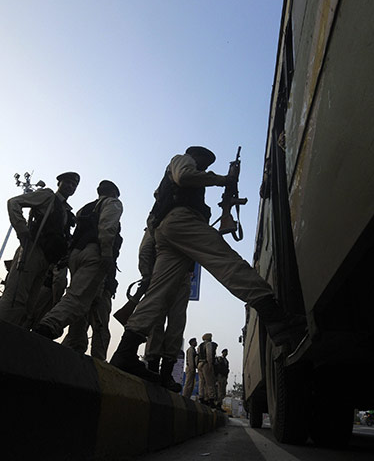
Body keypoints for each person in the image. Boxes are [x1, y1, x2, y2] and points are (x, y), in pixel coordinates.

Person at [110, 146, 304, 382]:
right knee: (227, 263)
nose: (205, 166)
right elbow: (185, 176)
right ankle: (276, 318)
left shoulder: (172, 184)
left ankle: (125, 353)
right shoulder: (183, 160)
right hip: (181, 222)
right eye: (205, 161)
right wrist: (224, 180)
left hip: (168, 231)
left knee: (157, 296)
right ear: (196, 155)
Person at [34, 180, 123, 348]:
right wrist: (106, 254)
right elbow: (107, 229)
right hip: (94, 254)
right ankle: (49, 324)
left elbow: (76, 235)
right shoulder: (113, 203)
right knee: (78, 297)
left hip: (77, 255)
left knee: (86, 300)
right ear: (113, 192)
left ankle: (76, 343)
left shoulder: (85, 209)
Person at [0, 172, 79, 328]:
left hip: (47, 260)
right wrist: (22, 230)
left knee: (28, 306)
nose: (70, 187)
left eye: (74, 185)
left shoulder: (66, 211)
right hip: (32, 250)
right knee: (15, 297)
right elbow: (14, 202)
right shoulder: (47, 196)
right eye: (67, 182)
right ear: (59, 183)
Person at [139, 228, 192, 391]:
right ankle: (156, 371)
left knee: (173, 324)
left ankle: (162, 373)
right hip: (163, 274)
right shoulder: (160, 219)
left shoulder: (170, 218)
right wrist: (147, 275)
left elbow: (145, 250)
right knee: (160, 322)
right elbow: (146, 250)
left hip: (178, 277)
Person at [197, 333, 217, 406]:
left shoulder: (200, 346)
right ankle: (211, 399)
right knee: (209, 382)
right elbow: (209, 355)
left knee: (201, 382)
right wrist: (210, 364)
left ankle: (201, 397)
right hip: (206, 364)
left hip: (200, 364)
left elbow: (198, 356)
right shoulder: (208, 344)